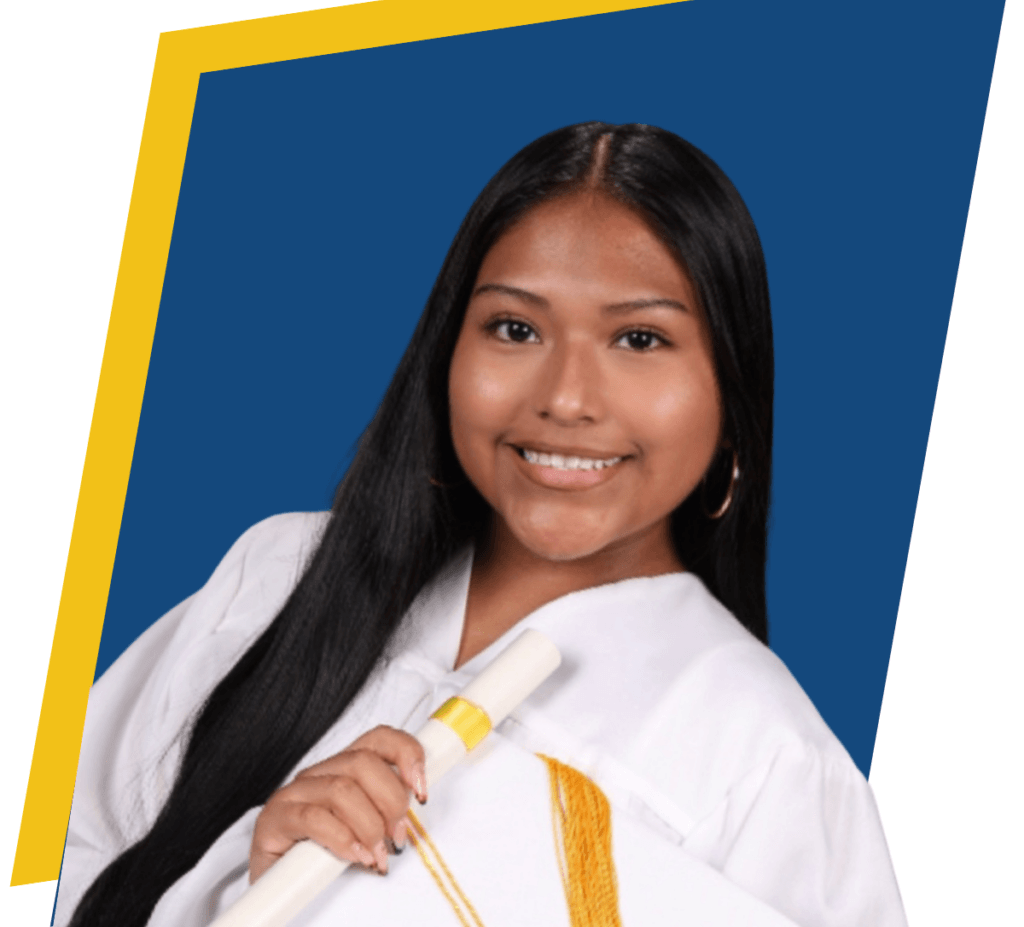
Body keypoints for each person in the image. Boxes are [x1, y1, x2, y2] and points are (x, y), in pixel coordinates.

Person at [56, 122, 906, 927]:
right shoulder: (279, 575)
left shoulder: (766, 764)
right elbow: (61, 869)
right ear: (447, 353)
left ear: (732, 394)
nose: (566, 398)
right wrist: (240, 881)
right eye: (515, 328)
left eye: (641, 339)